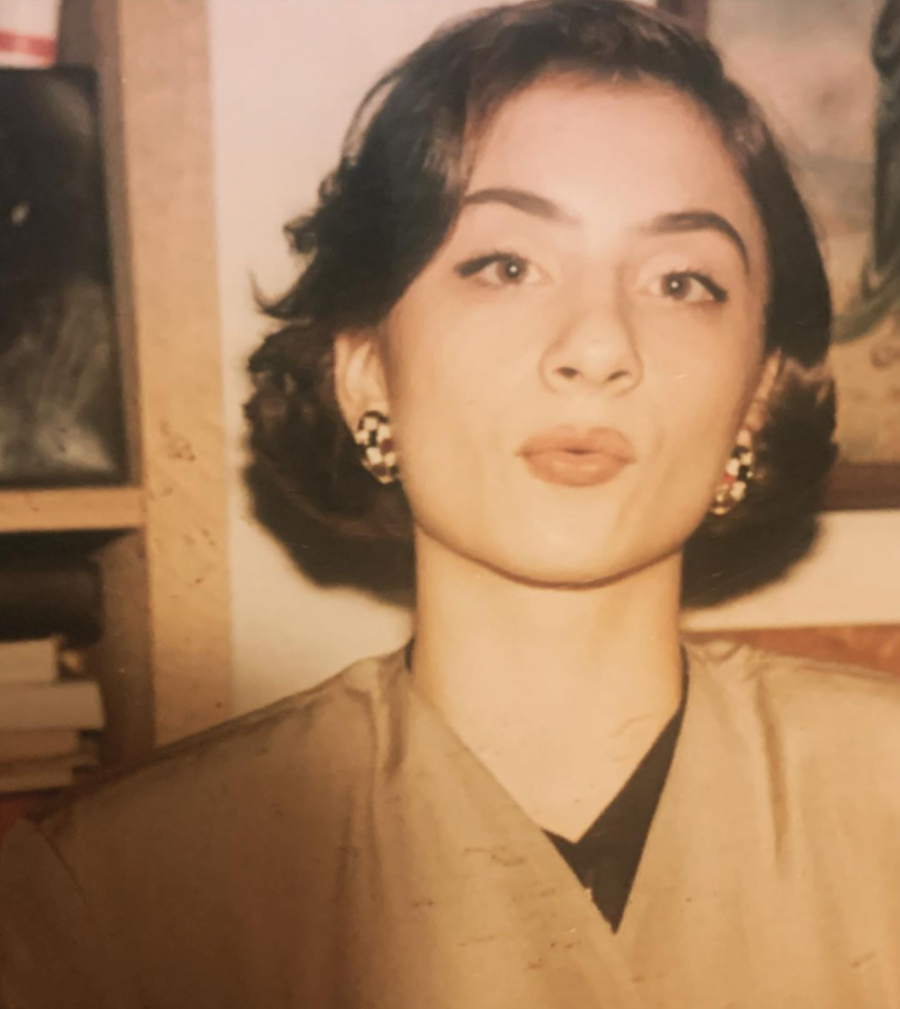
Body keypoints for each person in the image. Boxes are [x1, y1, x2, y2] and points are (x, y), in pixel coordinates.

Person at [2, 1, 898, 1006]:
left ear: (760, 397)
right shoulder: (116, 896)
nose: (598, 345)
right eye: (506, 266)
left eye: (681, 281)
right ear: (364, 372)